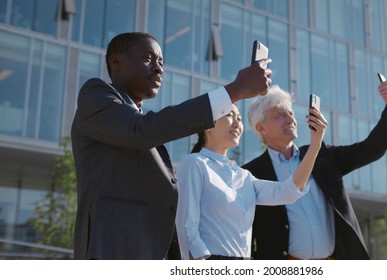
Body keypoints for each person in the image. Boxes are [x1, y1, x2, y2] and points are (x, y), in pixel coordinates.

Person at [71, 32, 272, 260]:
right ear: (115, 62)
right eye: (148, 58)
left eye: (161, 62)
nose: (159, 69)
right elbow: (142, 131)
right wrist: (235, 90)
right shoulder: (96, 95)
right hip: (114, 251)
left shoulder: (139, 121)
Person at [242, 82, 387, 260]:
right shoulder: (249, 174)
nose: (290, 119)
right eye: (280, 115)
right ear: (261, 127)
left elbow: (370, 150)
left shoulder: (323, 156)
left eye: (291, 113)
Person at [175, 103, 327, 260]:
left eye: (239, 119)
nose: (237, 124)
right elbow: (186, 225)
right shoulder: (195, 163)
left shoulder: (244, 176)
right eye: (229, 116)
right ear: (208, 125)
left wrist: (315, 145)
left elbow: (287, 191)